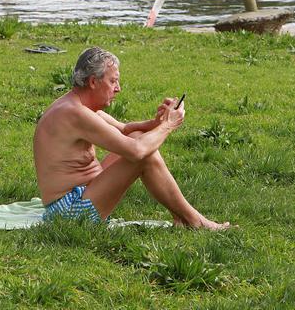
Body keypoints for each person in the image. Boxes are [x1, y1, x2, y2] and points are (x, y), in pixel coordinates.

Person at [33, 47, 230, 230]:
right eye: (113, 81)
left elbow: (126, 130)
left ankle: (182, 217)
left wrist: (159, 121)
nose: (118, 88)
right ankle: (194, 221)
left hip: (82, 193)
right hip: (68, 213)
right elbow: (137, 151)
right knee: (143, 155)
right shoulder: (74, 113)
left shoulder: (79, 106)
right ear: (93, 82)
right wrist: (168, 125)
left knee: (138, 138)